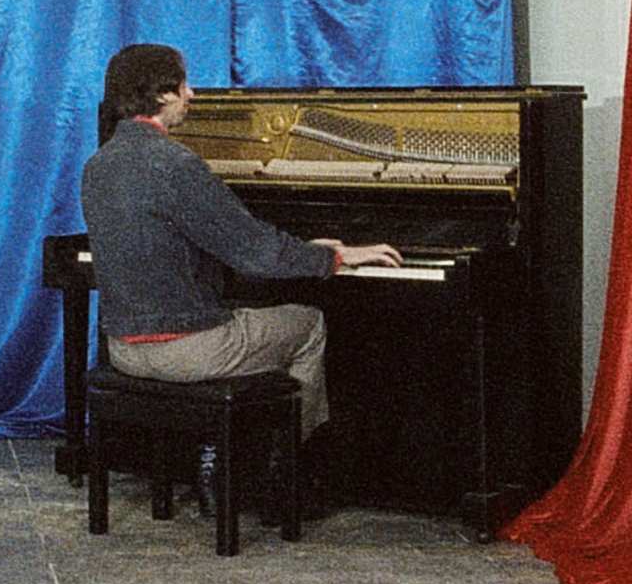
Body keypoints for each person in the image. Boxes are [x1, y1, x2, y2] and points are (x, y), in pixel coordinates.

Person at [77, 40, 398, 448]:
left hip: (123, 348)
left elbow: (188, 242)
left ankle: (226, 456)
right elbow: (257, 252)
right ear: (161, 94)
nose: (191, 94)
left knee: (240, 308)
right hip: (185, 352)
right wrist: (334, 255)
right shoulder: (176, 165)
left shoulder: (98, 165)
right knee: (309, 324)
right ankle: (290, 467)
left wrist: (297, 247)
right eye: (183, 85)